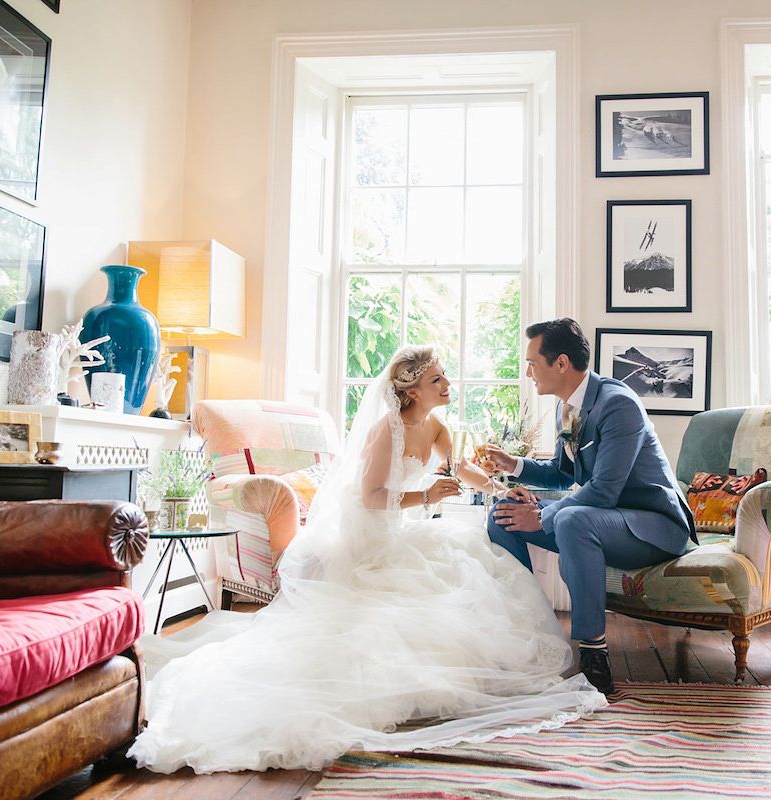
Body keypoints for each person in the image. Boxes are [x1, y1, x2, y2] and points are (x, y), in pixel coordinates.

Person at [128, 345, 606, 774]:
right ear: (413, 390)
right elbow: (372, 497)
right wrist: (424, 495)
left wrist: (501, 488)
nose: (447, 385)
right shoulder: (387, 432)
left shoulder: (436, 425)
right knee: (409, 599)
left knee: (471, 562)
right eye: (438, 378)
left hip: (402, 529)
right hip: (369, 538)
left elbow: (461, 469)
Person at [480, 319, 694, 694]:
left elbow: (604, 491)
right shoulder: (570, 407)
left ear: (561, 363)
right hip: (604, 520)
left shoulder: (618, 404)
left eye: (532, 362)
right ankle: (528, 632)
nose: (527, 371)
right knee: (503, 517)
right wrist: (511, 464)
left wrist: (543, 514)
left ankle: (595, 656)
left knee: (574, 519)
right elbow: (563, 475)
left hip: (654, 527)